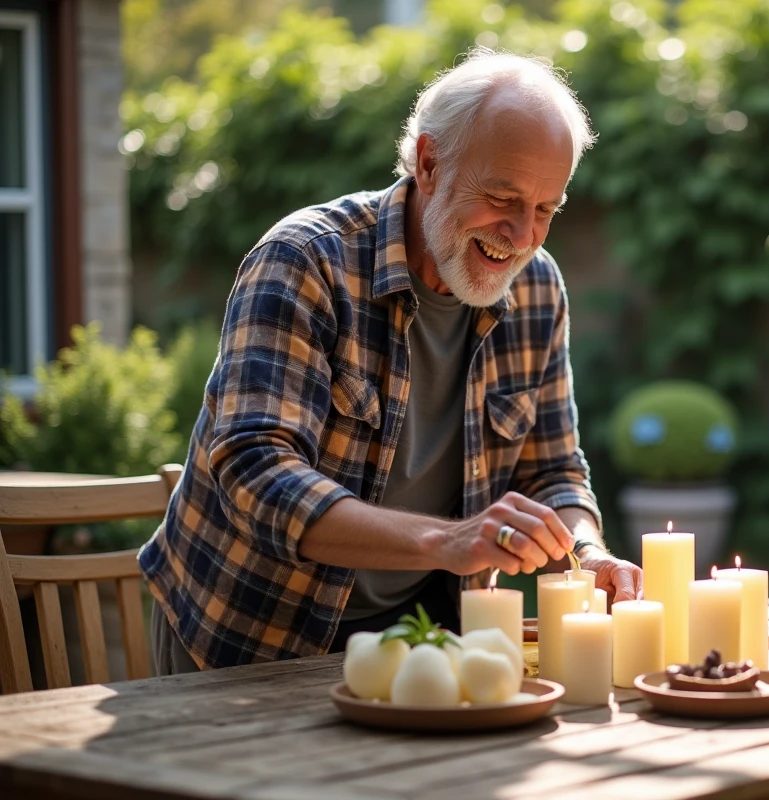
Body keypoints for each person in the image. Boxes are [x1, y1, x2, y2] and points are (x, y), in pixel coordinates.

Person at [140, 49, 642, 675]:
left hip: (425, 640)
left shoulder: (537, 288)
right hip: (250, 642)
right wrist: (447, 541)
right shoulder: (305, 261)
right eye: (502, 197)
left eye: (545, 209)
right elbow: (256, 472)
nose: (522, 236)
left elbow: (554, 471)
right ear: (430, 163)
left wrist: (588, 552)